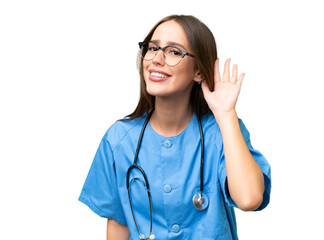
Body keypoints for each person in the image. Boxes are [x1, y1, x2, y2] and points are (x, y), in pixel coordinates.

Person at [79, 14, 271, 240]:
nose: (157, 59)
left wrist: (226, 113)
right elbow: (119, 222)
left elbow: (249, 198)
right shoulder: (119, 139)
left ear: (198, 72)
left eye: (174, 52)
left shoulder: (222, 132)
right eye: (152, 48)